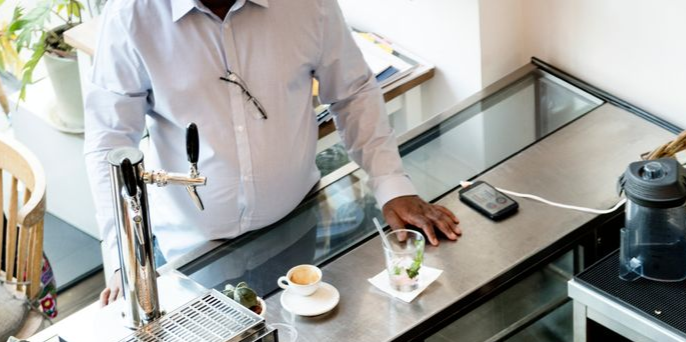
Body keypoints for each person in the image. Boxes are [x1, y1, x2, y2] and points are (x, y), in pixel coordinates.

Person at [85, 0, 461, 302]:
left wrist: (392, 183)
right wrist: (124, 259)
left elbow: (353, 91)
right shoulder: (130, 16)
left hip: (294, 226)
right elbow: (110, 142)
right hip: (191, 253)